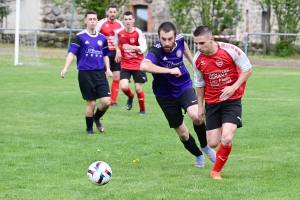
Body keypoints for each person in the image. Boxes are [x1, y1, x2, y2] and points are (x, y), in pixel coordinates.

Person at [140, 22, 216, 167]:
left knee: (197, 116)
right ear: (159, 38)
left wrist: (193, 62)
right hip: (165, 96)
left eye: (169, 39)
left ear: (175, 36)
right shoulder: (155, 50)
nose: (166, 43)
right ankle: (199, 155)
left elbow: (184, 47)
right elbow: (144, 66)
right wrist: (169, 70)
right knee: (183, 134)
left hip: (183, 86)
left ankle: (205, 146)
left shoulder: (180, 39)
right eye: (163, 39)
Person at [192, 25, 252, 180]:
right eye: (196, 44)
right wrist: (200, 106)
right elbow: (199, 84)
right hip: (212, 102)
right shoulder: (198, 60)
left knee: (226, 137)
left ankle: (215, 171)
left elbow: (247, 69)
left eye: (201, 43)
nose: (198, 47)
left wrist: (234, 87)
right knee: (212, 143)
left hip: (232, 100)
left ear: (211, 39)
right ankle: (220, 155)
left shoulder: (231, 50)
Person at [60, 10, 112, 134]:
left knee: (106, 102)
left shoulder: (102, 38)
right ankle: (89, 130)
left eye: (94, 19)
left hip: (100, 73)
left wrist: (108, 69)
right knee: (92, 103)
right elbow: (72, 53)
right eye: (90, 19)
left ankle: (96, 118)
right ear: (85, 21)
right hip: (85, 74)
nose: (92, 21)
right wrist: (65, 68)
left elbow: (105, 55)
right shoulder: (80, 37)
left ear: (97, 21)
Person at [114, 11, 147, 115]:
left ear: (133, 20)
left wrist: (131, 47)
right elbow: (115, 43)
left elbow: (144, 48)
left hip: (138, 64)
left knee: (138, 88)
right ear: (123, 20)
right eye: (126, 19)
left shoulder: (138, 32)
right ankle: (130, 96)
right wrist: (118, 51)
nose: (128, 21)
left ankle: (142, 110)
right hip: (125, 64)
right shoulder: (118, 32)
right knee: (123, 87)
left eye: (129, 19)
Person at [96, 5, 124, 106]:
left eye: (114, 12)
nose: (112, 14)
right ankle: (103, 96)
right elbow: (95, 36)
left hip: (116, 53)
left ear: (117, 13)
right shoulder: (101, 23)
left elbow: (122, 38)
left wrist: (120, 52)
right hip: (104, 53)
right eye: (110, 12)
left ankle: (113, 101)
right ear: (107, 13)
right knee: (104, 76)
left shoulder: (120, 24)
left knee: (116, 76)